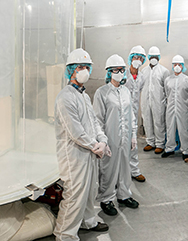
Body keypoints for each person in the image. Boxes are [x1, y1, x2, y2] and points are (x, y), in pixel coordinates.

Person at [54, 48, 111, 240]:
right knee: (75, 195)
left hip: (88, 152)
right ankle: (65, 234)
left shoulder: (84, 96)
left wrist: (102, 140)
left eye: (87, 67)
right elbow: (76, 132)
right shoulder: (65, 97)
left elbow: (94, 122)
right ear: (71, 70)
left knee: (90, 191)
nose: (85, 70)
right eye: (80, 67)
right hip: (74, 156)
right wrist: (96, 145)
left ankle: (88, 222)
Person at [93, 54, 139, 216]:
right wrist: (102, 141)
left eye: (121, 70)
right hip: (110, 139)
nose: (119, 73)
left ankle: (124, 195)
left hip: (125, 138)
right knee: (108, 169)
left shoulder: (126, 91)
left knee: (125, 168)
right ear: (108, 72)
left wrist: (133, 135)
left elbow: (131, 115)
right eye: (115, 70)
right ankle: (106, 199)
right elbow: (97, 120)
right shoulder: (102, 93)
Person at [162, 55, 188, 159]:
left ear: (183, 66)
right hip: (170, 107)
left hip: (183, 108)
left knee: (184, 129)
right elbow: (166, 93)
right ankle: (169, 148)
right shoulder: (167, 80)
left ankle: (186, 150)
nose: (177, 66)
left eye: (179, 64)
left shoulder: (187, 80)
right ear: (172, 66)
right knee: (170, 128)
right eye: (175, 64)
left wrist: (186, 104)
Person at [140, 46, 170, 154]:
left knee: (159, 122)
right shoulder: (143, 71)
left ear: (159, 57)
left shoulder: (164, 71)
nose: (153, 58)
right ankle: (150, 142)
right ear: (148, 57)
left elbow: (167, 88)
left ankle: (160, 143)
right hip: (145, 100)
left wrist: (165, 101)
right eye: (151, 56)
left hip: (159, 101)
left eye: (155, 56)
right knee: (147, 121)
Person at [125, 45, 147, 182]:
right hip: (121, 114)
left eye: (140, 58)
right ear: (130, 58)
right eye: (135, 57)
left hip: (134, 114)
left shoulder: (142, 77)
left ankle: (134, 170)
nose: (137, 60)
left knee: (133, 143)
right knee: (119, 143)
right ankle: (120, 171)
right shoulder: (123, 74)